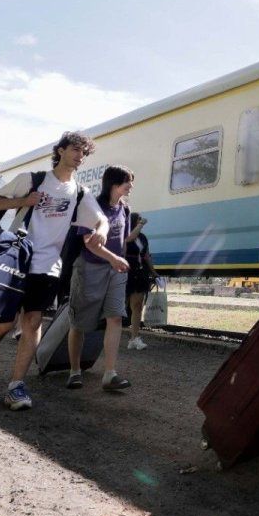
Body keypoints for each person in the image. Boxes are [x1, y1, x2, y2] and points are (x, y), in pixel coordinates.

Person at [0, 131, 108, 411]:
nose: (79, 156)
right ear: (61, 150)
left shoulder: (80, 192)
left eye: (83, 153)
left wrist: (100, 231)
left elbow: (100, 220)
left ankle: (16, 386)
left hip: (48, 265)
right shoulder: (32, 179)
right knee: (4, 322)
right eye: (75, 149)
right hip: (16, 259)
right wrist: (23, 202)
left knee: (32, 322)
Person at [65, 165, 134, 391]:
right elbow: (89, 242)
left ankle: (110, 374)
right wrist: (114, 258)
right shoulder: (92, 206)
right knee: (80, 323)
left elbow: (123, 240)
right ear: (114, 184)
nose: (131, 186)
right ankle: (75, 371)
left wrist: (119, 261)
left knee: (115, 317)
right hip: (90, 268)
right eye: (127, 182)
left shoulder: (124, 209)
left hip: (115, 271)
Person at [124, 212, 154, 351]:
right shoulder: (125, 235)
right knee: (119, 307)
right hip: (124, 272)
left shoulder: (142, 237)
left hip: (139, 272)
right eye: (138, 219)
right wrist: (140, 225)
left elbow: (146, 255)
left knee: (137, 306)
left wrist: (153, 272)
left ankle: (134, 338)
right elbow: (130, 239)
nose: (141, 221)